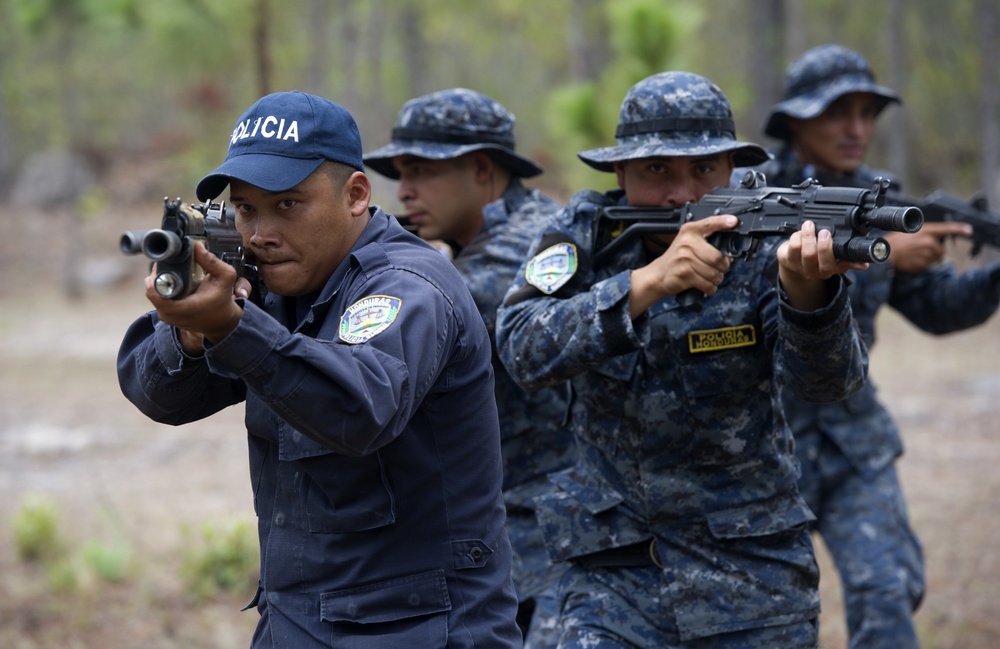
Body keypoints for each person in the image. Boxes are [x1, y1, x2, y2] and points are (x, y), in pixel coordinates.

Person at [116, 90, 522, 649]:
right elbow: (158, 396)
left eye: (288, 204)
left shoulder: (408, 285)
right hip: (296, 622)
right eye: (246, 209)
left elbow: (360, 410)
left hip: (424, 629)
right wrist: (191, 331)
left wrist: (233, 329)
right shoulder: (269, 282)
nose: (261, 233)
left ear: (356, 195)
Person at [495, 70, 870, 648]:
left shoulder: (766, 244)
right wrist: (643, 286)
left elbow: (829, 385)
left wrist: (809, 296)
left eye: (702, 170)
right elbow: (522, 348)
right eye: (656, 170)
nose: (680, 194)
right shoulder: (585, 235)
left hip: (752, 579)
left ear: (732, 168)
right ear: (620, 174)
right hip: (613, 577)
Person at [752, 44, 1000, 649]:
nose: (857, 129)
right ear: (795, 120)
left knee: (887, 592)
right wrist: (879, 256)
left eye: (867, 113)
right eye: (838, 112)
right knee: (762, 621)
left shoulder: (885, 200)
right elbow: (751, 289)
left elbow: (937, 308)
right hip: (759, 445)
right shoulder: (753, 192)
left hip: (852, 440)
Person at [363, 88, 576, 649]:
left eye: (422, 171)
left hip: (555, 539)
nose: (404, 190)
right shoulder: (500, 235)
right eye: (400, 173)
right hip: (522, 532)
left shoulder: (518, 252)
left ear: (482, 170)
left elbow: (410, 323)